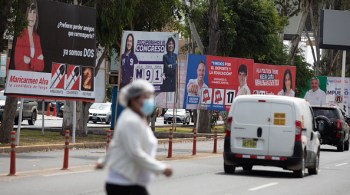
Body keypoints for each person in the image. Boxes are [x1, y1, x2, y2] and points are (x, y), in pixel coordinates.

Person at [96, 79, 173, 195]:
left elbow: (116, 144)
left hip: (132, 182)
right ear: (133, 100)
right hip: (123, 184)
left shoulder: (138, 118)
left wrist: (103, 161)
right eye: (145, 97)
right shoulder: (130, 121)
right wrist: (161, 168)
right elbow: (134, 153)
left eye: (150, 97)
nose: (149, 101)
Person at [14, 0, 44, 72]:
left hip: (34, 80)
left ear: (36, 16)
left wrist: (29, 60)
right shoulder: (20, 35)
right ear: (26, 15)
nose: (32, 16)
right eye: (30, 12)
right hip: (21, 79)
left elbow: (41, 66)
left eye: (34, 13)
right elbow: (18, 64)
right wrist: (36, 61)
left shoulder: (37, 38)